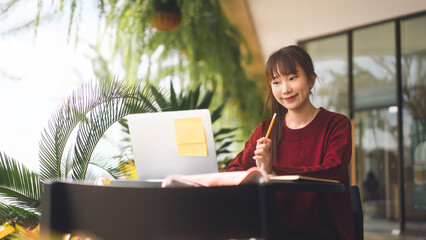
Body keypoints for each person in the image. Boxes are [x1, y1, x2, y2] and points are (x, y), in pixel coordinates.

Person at [226, 45, 355, 240]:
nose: (285, 89)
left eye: (292, 78)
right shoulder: (267, 129)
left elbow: (332, 171)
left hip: (324, 234)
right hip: (273, 232)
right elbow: (234, 171)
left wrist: (272, 171)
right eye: (276, 82)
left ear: (311, 80)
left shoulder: (336, 124)